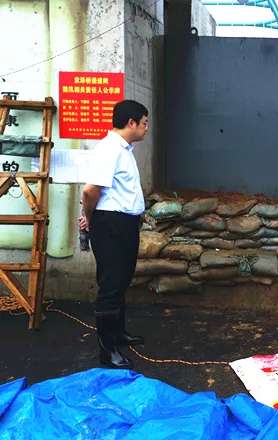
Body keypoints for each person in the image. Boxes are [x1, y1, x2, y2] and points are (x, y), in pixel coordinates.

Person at [79, 100, 149, 369]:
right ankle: (108, 351)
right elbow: (90, 191)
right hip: (110, 224)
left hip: (125, 223)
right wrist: (89, 217)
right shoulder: (109, 150)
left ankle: (119, 334)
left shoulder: (124, 149)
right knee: (111, 284)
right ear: (131, 123)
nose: (146, 128)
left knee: (121, 280)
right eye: (144, 123)